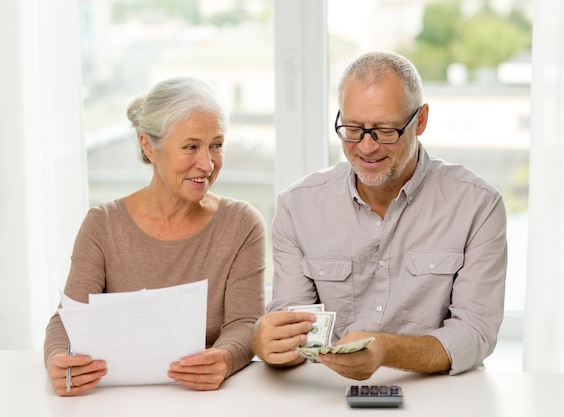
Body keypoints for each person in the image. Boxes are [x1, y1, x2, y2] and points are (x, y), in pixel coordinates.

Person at [252, 51, 507, 380]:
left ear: (421, 121)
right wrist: (267, 341)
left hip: (438, 394)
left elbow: (475, 333)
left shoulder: (478, 205)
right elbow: (295, 335)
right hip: (327, 393)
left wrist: (387, 350)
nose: (367, 147)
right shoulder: (296, 207)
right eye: (353, 128)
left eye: (385, 131)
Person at [44, 77, 266, 396]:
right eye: (191, 146)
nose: (207, 164)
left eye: (216, 145)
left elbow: (245, 323)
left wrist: (225, 358)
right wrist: (58, 360)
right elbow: (68, 321)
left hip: (206, 397)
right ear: (149, 145)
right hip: (115, 398)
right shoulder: (102, 225)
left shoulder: (242, 224)